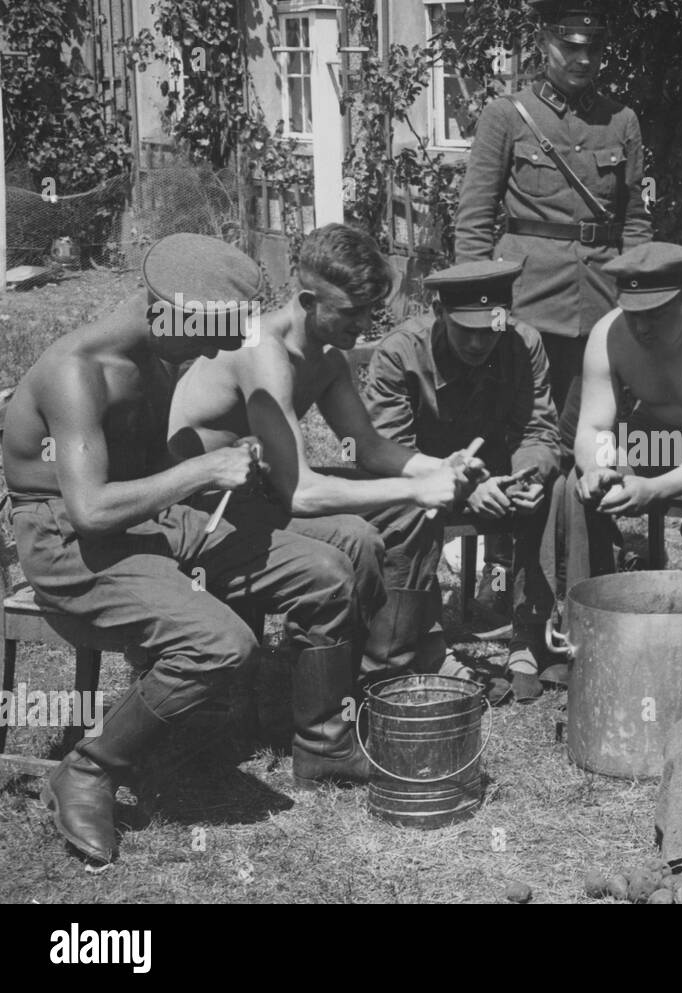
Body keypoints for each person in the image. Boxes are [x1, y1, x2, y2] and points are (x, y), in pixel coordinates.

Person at [0, 236, 468, 864]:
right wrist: (202, 473)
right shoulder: (76, 371)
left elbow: (151, 470)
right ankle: (89, 768)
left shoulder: (163, 354)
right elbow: (90, 509)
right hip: (68, 539)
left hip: (150, 520)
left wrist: (222, 478)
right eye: (212, 335)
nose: (223, 351)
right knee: (222, 643)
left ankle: (323, 742)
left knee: (329, 573)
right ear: (174, 315)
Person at [168, 223, 484, 684]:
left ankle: (382, 666)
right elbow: (300, 495)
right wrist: (418, 488)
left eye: (372, 310)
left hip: (260, 492)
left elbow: (370, 447)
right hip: (203, 510)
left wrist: (441, 468)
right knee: (358, 533)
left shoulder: (327, 359)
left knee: (413, 513)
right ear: (307, 302)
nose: (364, 324)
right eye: (352, 311)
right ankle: (316, 675)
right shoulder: (263, 352)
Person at [454, 0, 652, 449]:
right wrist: (475, 302)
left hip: (600, 302)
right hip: (526, 300)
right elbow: (475, 216)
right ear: (544, 41)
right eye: (570, 47)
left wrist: (636, 298)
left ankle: (581, 514)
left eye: (595, 49)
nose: (583, 60)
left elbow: (635, 218)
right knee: (525, 429)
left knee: (587, 431)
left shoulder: (622, 121)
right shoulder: (507, 115)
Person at [363, 260, 564, 703]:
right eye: (465, 330)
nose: (478, 342)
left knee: (554, 486)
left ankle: (531, 632)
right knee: (407, 507)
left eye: (490, 330)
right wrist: (462, 484)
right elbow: (385, 453)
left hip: (496, 474)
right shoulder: (401, 352)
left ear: (505, 318)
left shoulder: (523, 344)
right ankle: (429, 645)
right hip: (421, 477)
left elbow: (539, 431)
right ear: (439, 313)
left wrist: (529, 473)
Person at [560, 241, 682, 593]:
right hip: (653, 443)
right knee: (580, 488)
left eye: (656, 313)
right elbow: (594, 427)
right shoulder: (609, 333)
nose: (642, 327)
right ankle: (591, 608)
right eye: (633, 313)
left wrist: (655, 488)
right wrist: (597, 467)